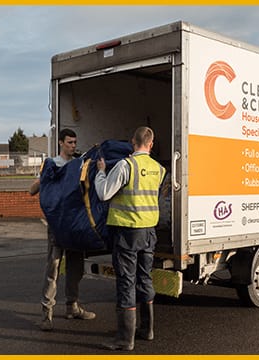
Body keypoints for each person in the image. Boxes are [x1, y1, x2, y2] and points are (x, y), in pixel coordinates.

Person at [94, 126, 166, 351]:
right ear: (151, 144)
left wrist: (101, 172)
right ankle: (147, 329)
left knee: (126, 281)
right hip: (149, 233)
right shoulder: (159, 169)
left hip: (127, 232)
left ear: (132, 143)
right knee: (145, 278)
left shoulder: (127, 165)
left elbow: (104, 193)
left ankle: (125, 339)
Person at [30, 128, 96, 331]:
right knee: (53, 270)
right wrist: (45, 181)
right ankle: (46, 315)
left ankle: (72, 307)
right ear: (60, 143)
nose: (73, 146)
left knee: (75, 270)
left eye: (75, 142)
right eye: (69, 142)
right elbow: (32, 190)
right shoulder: (53, 164)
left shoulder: (79, 165)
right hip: (58, 228)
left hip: (75, 227)